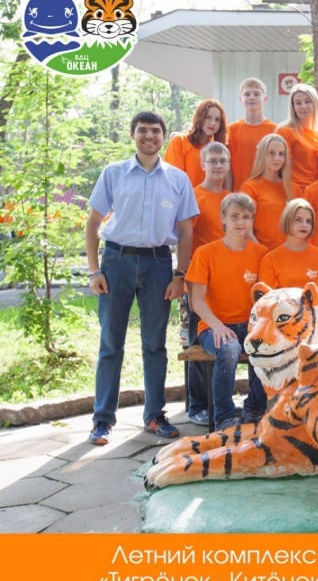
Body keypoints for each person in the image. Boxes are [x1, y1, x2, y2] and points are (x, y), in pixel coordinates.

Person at [85, 111, 199, 445]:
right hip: (116, 261)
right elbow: (93, 224)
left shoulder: (178, 179)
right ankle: (103, 420)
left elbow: (186, 232)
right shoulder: (114, 173)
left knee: (155, 344)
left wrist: (180, 275)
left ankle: (154, 415)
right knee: (111, 343)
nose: (149, 136)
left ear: (164, 135)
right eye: (142, 130)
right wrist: (94, 270)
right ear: (132, 134)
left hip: (158, 264)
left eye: (155, 131)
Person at [186, 193, 269, 431]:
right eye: (234, 216)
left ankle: (254, 409)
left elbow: (265, 298)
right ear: (222, 218)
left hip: (250, 325)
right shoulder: (205, 253)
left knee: (265, 347)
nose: (240, 222)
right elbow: (196, 301)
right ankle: (223, 418)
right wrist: (217, 326)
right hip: (213, 326)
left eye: (246, 217)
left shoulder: (261, 253)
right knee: (229, 349)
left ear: (252, 220)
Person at [184, 141, 231, 426]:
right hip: (199, 279)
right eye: (212, 161)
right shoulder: (193, 196)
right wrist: (184, 276)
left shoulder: (230, 198)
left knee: (221, 341)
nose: (218, 166)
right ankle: (198, 404)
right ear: (202, 165)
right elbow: (185, 236)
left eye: (222, 161)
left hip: (228, 280)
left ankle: (221, 400)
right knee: (198, 342)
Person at [259, 197, 318, 289]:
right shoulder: (270, 259)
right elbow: (269, 296)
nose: (304, 225)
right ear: (287, 220)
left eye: (308, 221)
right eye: (298, 220)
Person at [241, 133, 291, 251]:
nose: (277, 158)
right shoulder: (249, 187)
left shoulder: (293, 188)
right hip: (261, 254)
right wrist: (265, 254)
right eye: (271, 153)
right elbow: (246, 230)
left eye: (281, 154)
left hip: (288, 255)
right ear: (262, 155)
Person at [226, 78, 277, 192]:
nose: (252, 97)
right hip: (239, 191)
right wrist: (228, 193)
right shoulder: (231, 130)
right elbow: (228, 167)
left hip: (266, 191)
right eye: (247, 94)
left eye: (256, 94)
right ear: (240, 99)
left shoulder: (275, 130)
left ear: (265, 99)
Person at [163, 98, 228, 187]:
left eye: (217, 119)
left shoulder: (219, 149)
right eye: (208, 117)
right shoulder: (180, 141)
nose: (213, 123)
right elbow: (171, 179)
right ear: (200, 117)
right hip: (185, 195)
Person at [277, 83, 318, 197]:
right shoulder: (285, 132)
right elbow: (280, 168)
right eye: (298, 103)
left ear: (315, 103)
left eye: (307, 101)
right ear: (293, 107)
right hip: (293, 193)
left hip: (316, 193)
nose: (303, 106)